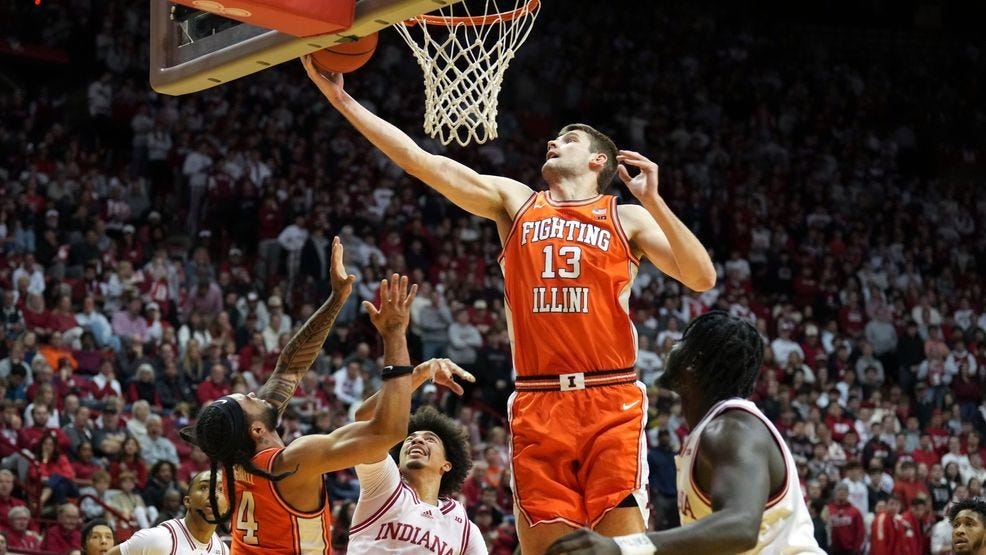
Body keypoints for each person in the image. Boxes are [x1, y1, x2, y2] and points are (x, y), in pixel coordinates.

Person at [303, 57, 716, 554]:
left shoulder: (625, 217)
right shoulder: (516, 202)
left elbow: (701, 276)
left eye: (568, 140)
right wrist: (343, 100)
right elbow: (423, 162)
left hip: (610, 398)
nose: (553, 143)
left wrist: (655, 202)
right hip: (537, 400)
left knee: (620, 549)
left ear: (597, 161)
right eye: (554, 137)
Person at [189, 240, 457, 553]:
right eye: (249, 399)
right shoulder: (291, 462)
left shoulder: (235, 456)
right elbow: (387, 432)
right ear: (257, 429)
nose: (254, 391)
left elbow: (288, 369)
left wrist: (336, 299)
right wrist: (395, 335)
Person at [545, 311, 824, 554]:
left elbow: (740, 527)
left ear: (692, 365)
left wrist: (623, 546)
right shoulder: (714, 430)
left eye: (681, 344)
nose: (672, 348)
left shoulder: (733, 429)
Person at [347, 402, 484, 553]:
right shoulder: (384, 486)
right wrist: (416, 378)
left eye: (430, 439)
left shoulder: (463, 526)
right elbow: (364, 419)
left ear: (446, 465)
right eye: (409, 439)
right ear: (397, 464)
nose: (417, 440)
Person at [106, 470, 227, 555]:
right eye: (204, 487)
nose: (213, 495)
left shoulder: (222, 550)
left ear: (227, 507)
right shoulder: (158, 539)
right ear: (187, 501)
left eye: (221, 490)